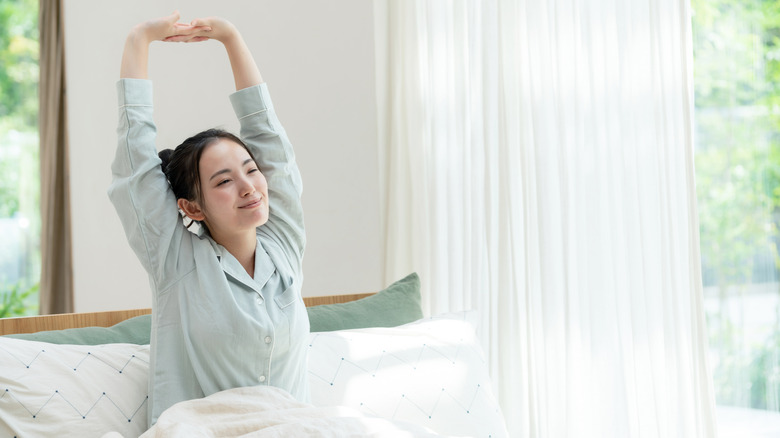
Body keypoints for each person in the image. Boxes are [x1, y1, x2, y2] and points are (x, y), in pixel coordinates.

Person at [108, 12, 310, 427]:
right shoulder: (176, 261)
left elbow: (269, 140)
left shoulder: (284, 245)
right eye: (223, 180)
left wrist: (231, 38)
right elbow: (136, 165)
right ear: (192, 208)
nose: (249, 187)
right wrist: (139, 41)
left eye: (251, 170)